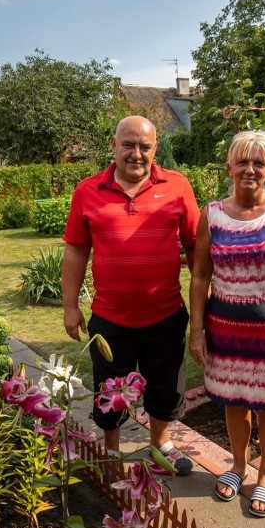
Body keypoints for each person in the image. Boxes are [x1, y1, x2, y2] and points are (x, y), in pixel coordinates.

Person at [62, 115, 200, 475]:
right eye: (128, 144)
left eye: (145, 146)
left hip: (166, 312)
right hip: (110, 317)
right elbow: (76, 250)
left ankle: (161, 444)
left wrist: (206, 297)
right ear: (114, 145)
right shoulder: (87, 191)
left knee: (166, 385)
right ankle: (111, 450)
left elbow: (195, 245)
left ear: (155, 149)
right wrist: (70, 305)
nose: (136, 153)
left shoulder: (177, 186)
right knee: (110, 388)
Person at [188, 130, 265, 517]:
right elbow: (200, 275)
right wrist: (197, 331)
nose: (250, 169)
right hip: (225, 329)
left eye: (259, 162)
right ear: (229, 166)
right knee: (233, 402)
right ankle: (238, 466)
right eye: (242, 161)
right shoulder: (212, 214)